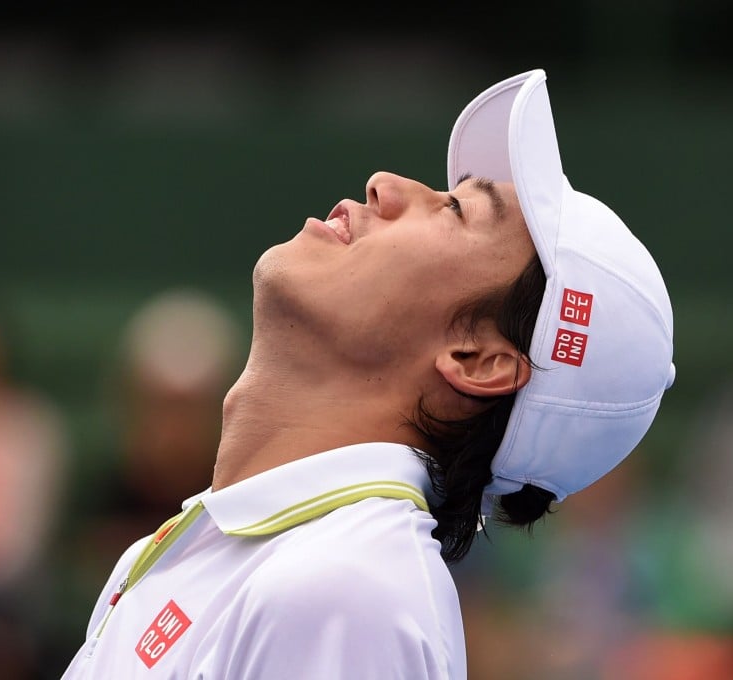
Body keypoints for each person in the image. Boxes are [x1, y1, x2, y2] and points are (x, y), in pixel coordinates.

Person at [61, 68, 675, 679]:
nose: (386, 185)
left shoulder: (346, 590)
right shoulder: (221, 555)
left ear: (478, 361)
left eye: (456, 209)